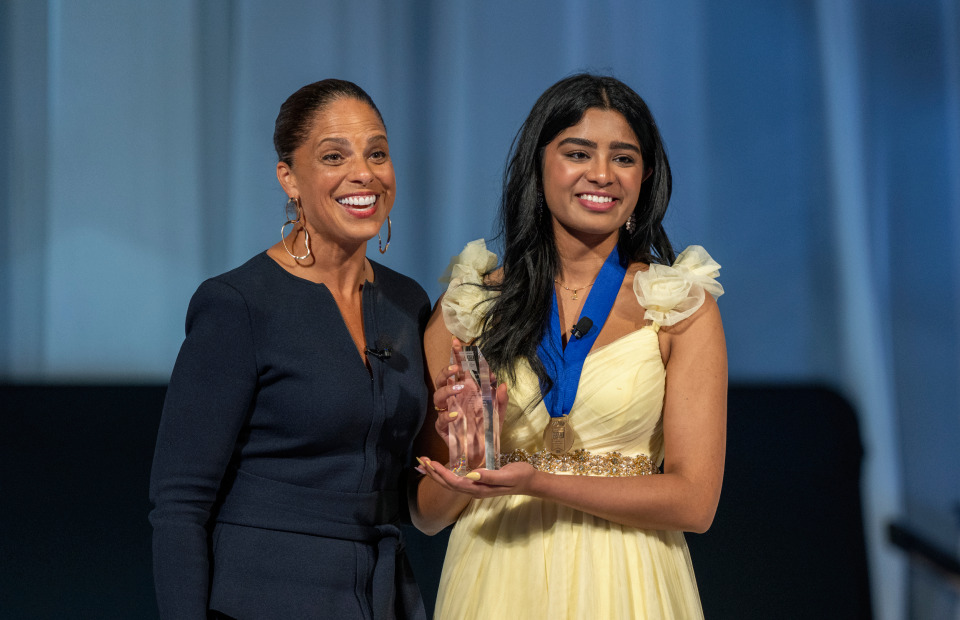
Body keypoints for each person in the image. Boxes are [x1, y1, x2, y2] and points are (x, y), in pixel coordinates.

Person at [412, 74, 726, 618]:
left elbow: (695, 504)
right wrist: (466, 465)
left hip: (629, 583)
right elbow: (427, 516)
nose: (601, 174)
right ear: (539, 164)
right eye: (578, 152)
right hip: (496, 577)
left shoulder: (679, 307)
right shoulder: (471, 305)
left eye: (623, 158)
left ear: (645, 176)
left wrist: (540, 482)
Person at [149, 79, 429, 619]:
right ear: (289, 178)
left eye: (377, 153)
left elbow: (414, 487)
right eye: (333, 156)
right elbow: (179, 504)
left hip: (382, 594)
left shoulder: (407, 303)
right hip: (262, 595)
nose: (364, 173)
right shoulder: (238, 304)